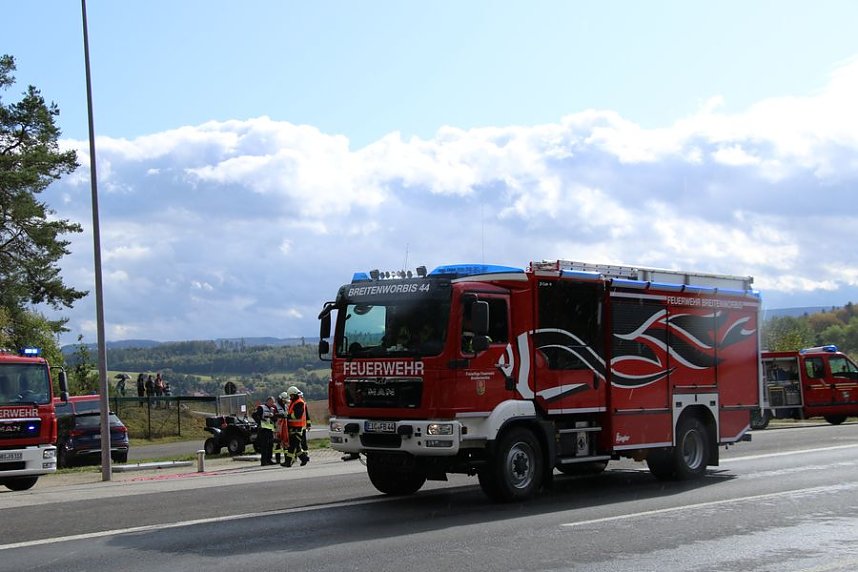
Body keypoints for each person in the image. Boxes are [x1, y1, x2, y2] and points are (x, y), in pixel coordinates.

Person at [282, 386, 310, 467]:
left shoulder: (299, 402)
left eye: (291, 395)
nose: (290, 397)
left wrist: (287, 416)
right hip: (293, 427)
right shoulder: (293, 402)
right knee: (296, 446)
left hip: (298, 428)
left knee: (292, 446)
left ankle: (288, 462)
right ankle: (304, 458)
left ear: (294, 395)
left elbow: (297, 415)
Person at [254, 396, 278, 466]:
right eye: (272, 402)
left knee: (270, 445)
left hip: (270, 429)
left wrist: (273, 417)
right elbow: (254, 415)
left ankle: (269, 459)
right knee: (265, 445)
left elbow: (274, 419)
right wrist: (260, 422)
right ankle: (264, 461)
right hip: (263, 429)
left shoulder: (272, 409)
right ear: (268, 401)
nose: (273, 404)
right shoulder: (262, 408)